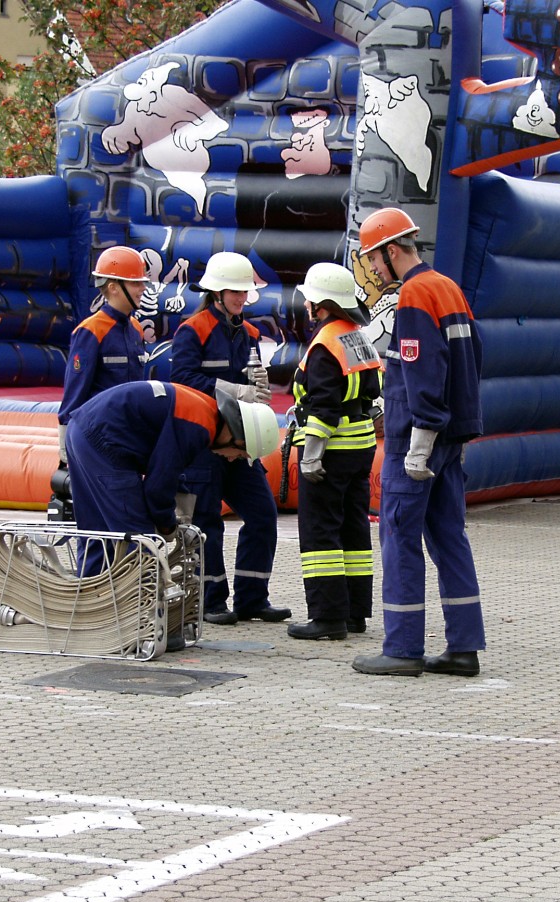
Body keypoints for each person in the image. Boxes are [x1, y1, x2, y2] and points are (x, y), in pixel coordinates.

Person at [351, 208, 486, 678]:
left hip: (416, 440)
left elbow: (423, 369)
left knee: (398, 537)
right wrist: (456, 431)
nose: (373, 269)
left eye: (374, 259)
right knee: (449, 538)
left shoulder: (413, 294)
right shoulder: (448, 288)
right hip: (450, 437)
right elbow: (470, 361)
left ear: (392, 251)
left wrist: (420, 439)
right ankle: (463, 647)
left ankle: (403, 648)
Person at [169, 251, 289, 626]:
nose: (241, 298)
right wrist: (235, 390)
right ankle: (210, 601)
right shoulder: (193, 330)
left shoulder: (249, 333)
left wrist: (257, 387)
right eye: (235, 292)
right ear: (217, 293)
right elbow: (182, 380)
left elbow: (248, 383)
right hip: (202, 444)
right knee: (207, 523)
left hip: (239, 443)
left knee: (263, 514)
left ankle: (252, 599)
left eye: (244, 292)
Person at [63, 380, 281, 571]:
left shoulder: (205, 410)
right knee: (138, 540)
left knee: (97, 533)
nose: (232, 459)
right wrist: (168, 526)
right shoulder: (198, 426)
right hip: (106, 443)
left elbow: (169, 466)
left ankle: (88, 597)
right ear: (239, 438)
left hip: (82, 429)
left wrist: (179, 507)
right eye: (240, 455)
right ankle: (141, 603)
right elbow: (157, 486)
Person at [285, 262, 382, 641]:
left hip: (331, 451)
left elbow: (324, 407)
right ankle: (355, 614)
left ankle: (327, 617)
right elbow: (372, 393)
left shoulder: (325, 344)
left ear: (319, 305)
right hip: (361, 447)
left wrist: (311, 456)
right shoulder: (357, 336)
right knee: (354, 529)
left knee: (320, 533)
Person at [51, 246, 151, 518]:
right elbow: (74, 393)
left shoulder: (135, 330)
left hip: (128, 437)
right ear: (114, 287)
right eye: (136, 283)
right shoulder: (90, 331)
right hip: (98, 438)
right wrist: (65, 449)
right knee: (101, 516)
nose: (143, 289)